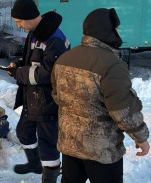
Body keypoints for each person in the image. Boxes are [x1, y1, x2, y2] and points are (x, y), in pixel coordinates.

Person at [51, 8, 150, 183]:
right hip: (102, 151)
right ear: (107, 30)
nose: (118, 32)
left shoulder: (64, 59)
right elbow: (122, 110)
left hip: (70, 145)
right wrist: (141, 137)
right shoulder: (112, 64)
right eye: (116, 28)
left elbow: (57, 97)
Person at [6, 0, 70, 182]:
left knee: (48, 144)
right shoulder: (35, 34)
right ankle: (34, 164)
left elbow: (49, 74)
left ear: (28, 17)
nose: (18, 25)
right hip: (33, 98)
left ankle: (50, 176)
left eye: (19, 21)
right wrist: (18, 65)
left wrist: (19, 73)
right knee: (23, 132)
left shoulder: (54, 38)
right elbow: (31, 61)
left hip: (48, 101)